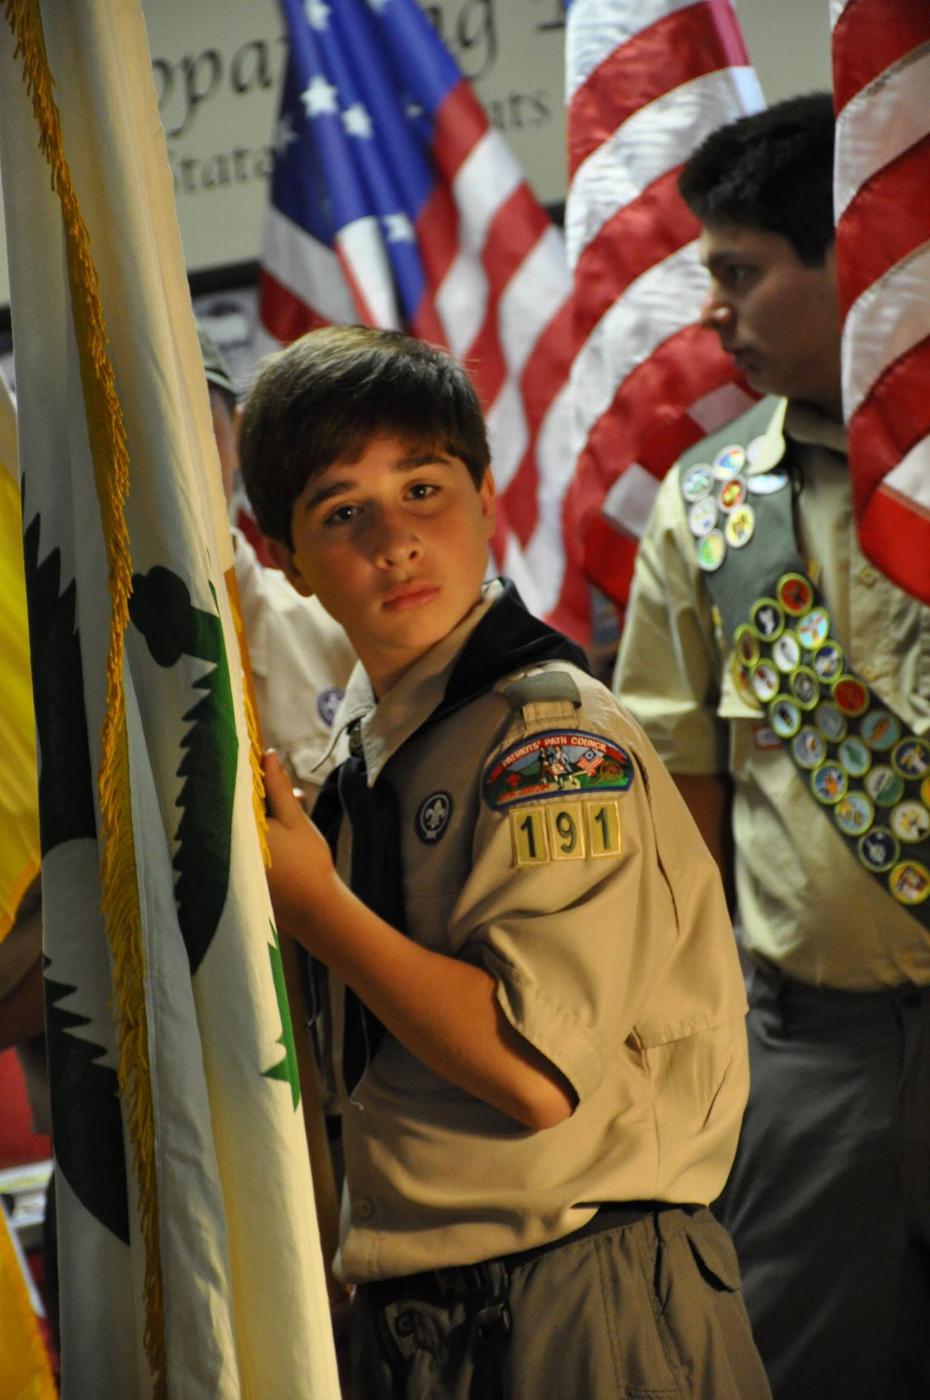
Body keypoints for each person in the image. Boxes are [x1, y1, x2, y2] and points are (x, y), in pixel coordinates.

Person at [237, 323, 770, 1398]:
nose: (395, 539)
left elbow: (535, 1073)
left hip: (583, 1294)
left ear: (487, 494)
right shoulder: (367, 756)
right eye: (344, 512)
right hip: (426, 1304)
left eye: (425, 490)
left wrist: (313, 901)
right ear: (282, 558)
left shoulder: (547, 739)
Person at [614, 93, 930, 1399]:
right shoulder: (707, 508)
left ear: (853, 261)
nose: (712, 312)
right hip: (814, 1060)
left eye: (740, 273)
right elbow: (682, 788)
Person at [198, 324, 357, 802]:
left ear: (239, 436)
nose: (175, 468)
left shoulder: (341, 628)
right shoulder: (43, 661)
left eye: (196, 431)